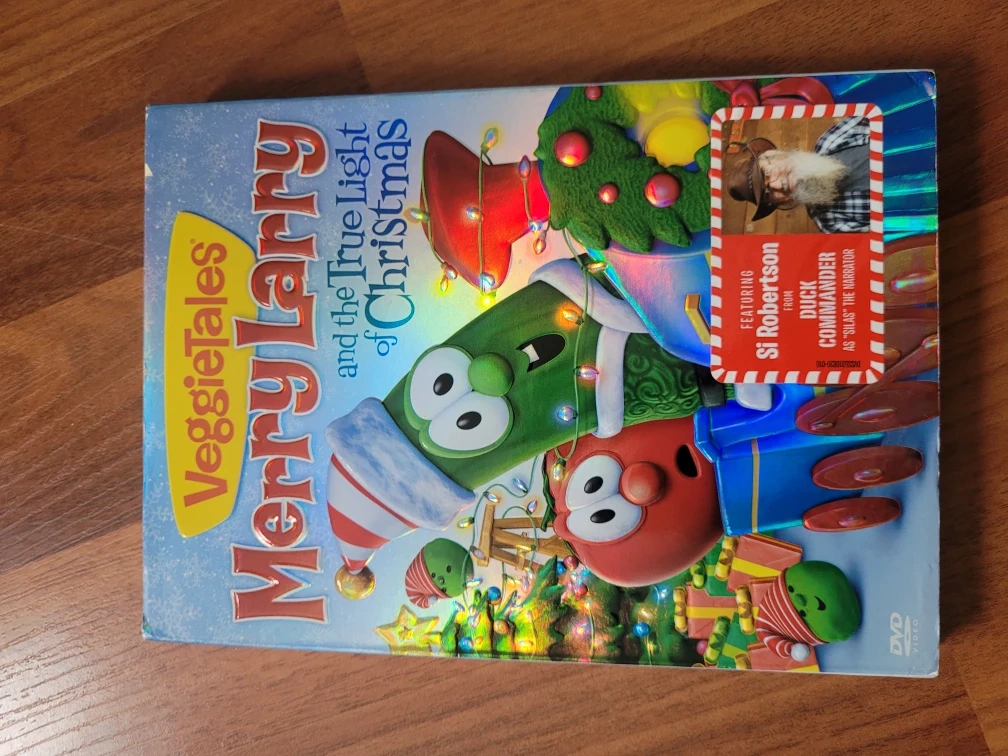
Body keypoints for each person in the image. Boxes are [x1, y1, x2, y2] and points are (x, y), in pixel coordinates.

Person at [724, 116, 871, 233]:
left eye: (767, 173)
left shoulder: (832, 139)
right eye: (768, 193)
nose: (778, 185)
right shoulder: (831, 223)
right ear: (781, 202)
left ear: (774, 154)